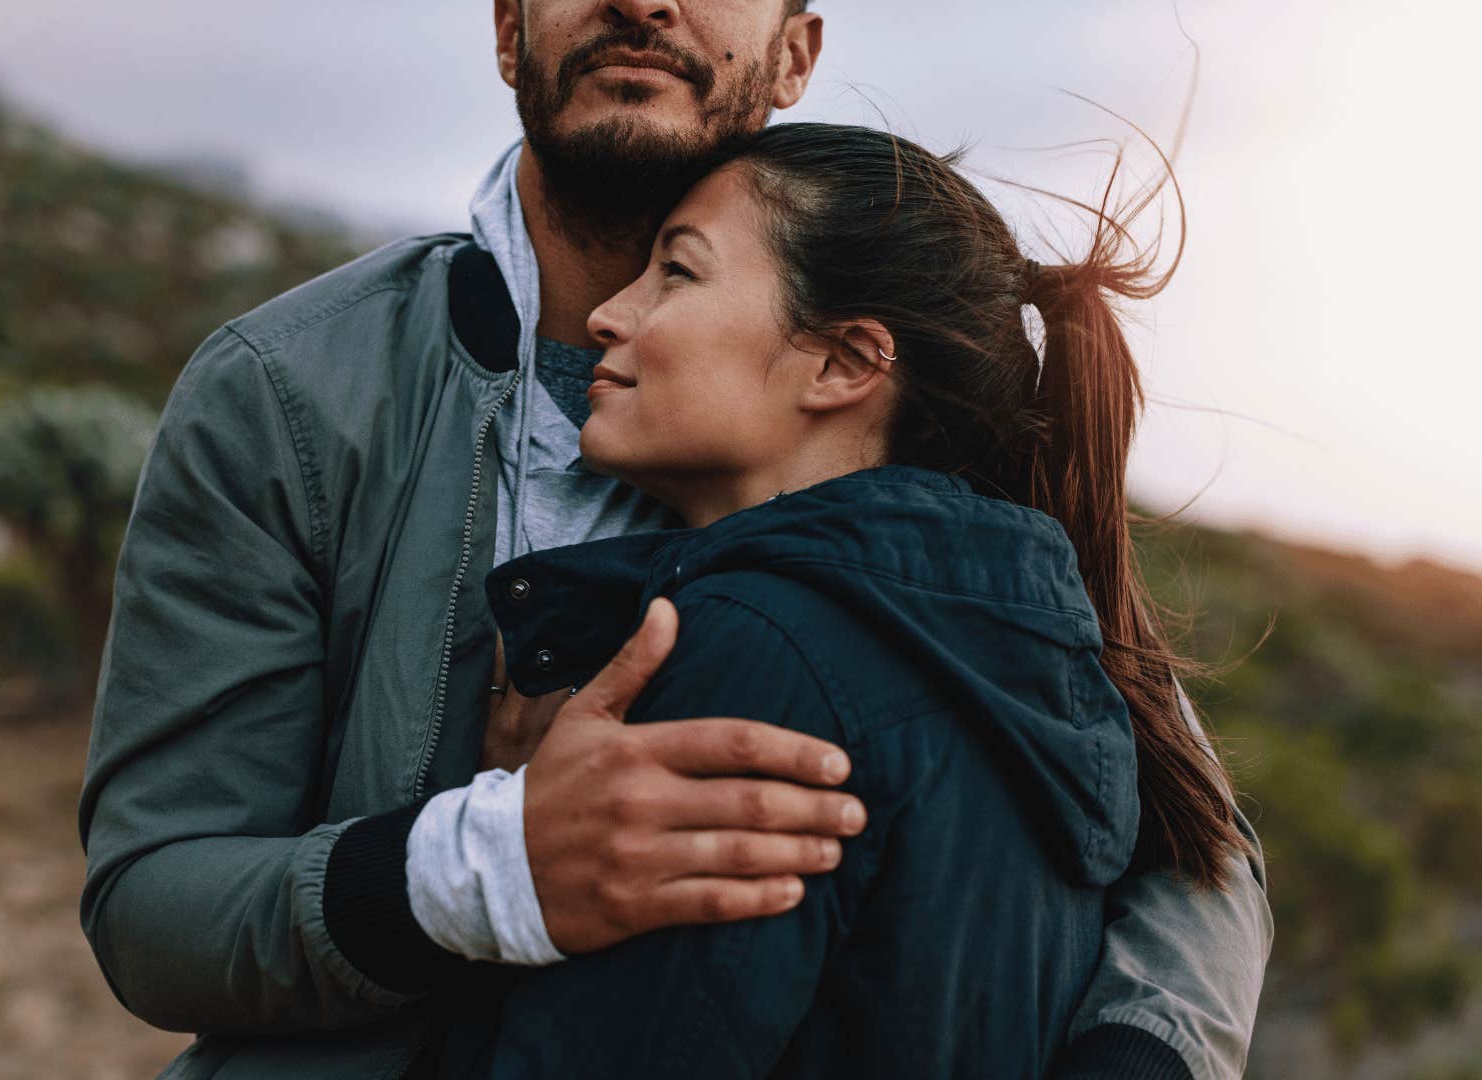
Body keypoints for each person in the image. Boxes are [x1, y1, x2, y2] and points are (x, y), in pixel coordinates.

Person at [76, 3, 1273, 1078]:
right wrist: (486, 865)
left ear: (797, 50)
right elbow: (153, 904)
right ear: (507, 31)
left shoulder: (913, 437)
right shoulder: (287, 392)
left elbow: (1187, 834)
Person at [419, 120, 1236, 1079]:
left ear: (844, 364)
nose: (609, 312)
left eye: (677, 273)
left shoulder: (761, 651)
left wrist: (505, 856)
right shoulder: (1022, 660)